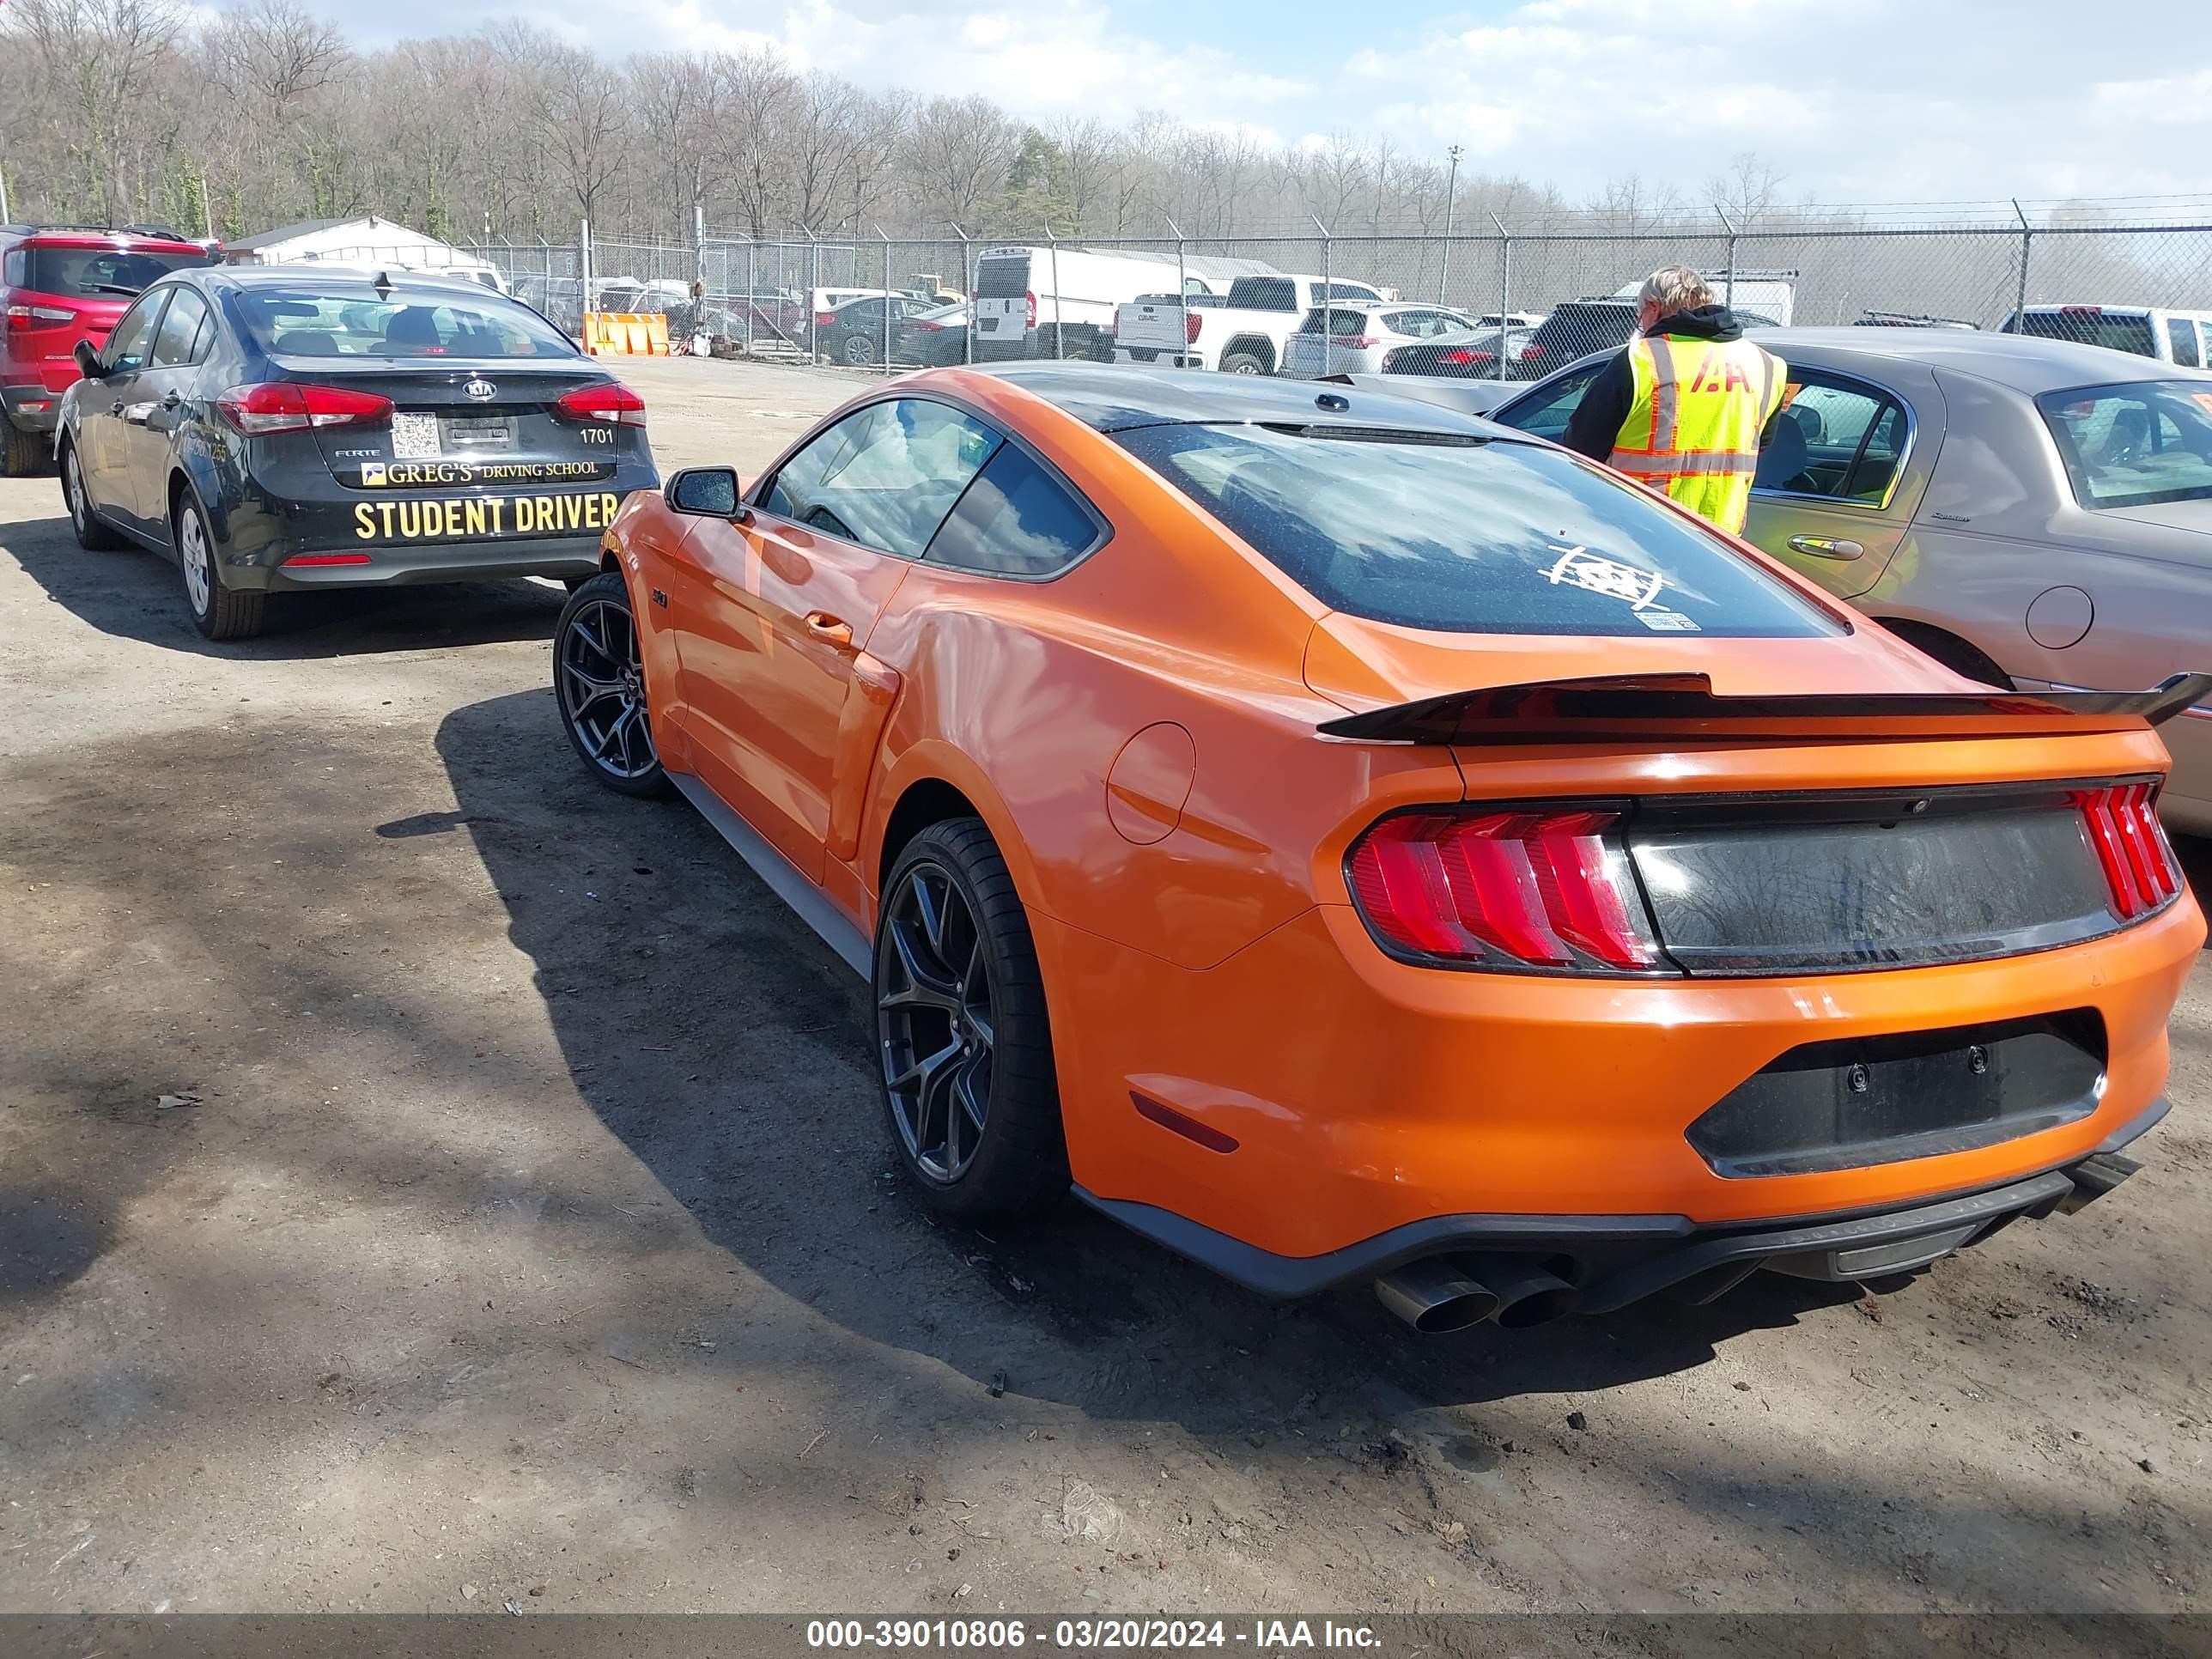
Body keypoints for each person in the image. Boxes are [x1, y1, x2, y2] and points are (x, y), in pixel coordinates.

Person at [1559, 265, 1786, 535]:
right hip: (1722, 535)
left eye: (1640, 315)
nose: (1641, 324)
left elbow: (1581, 448)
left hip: (1642, 528)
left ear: (1653, 308)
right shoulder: (1766, 364)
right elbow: (1760, 444)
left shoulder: (1640, 361)